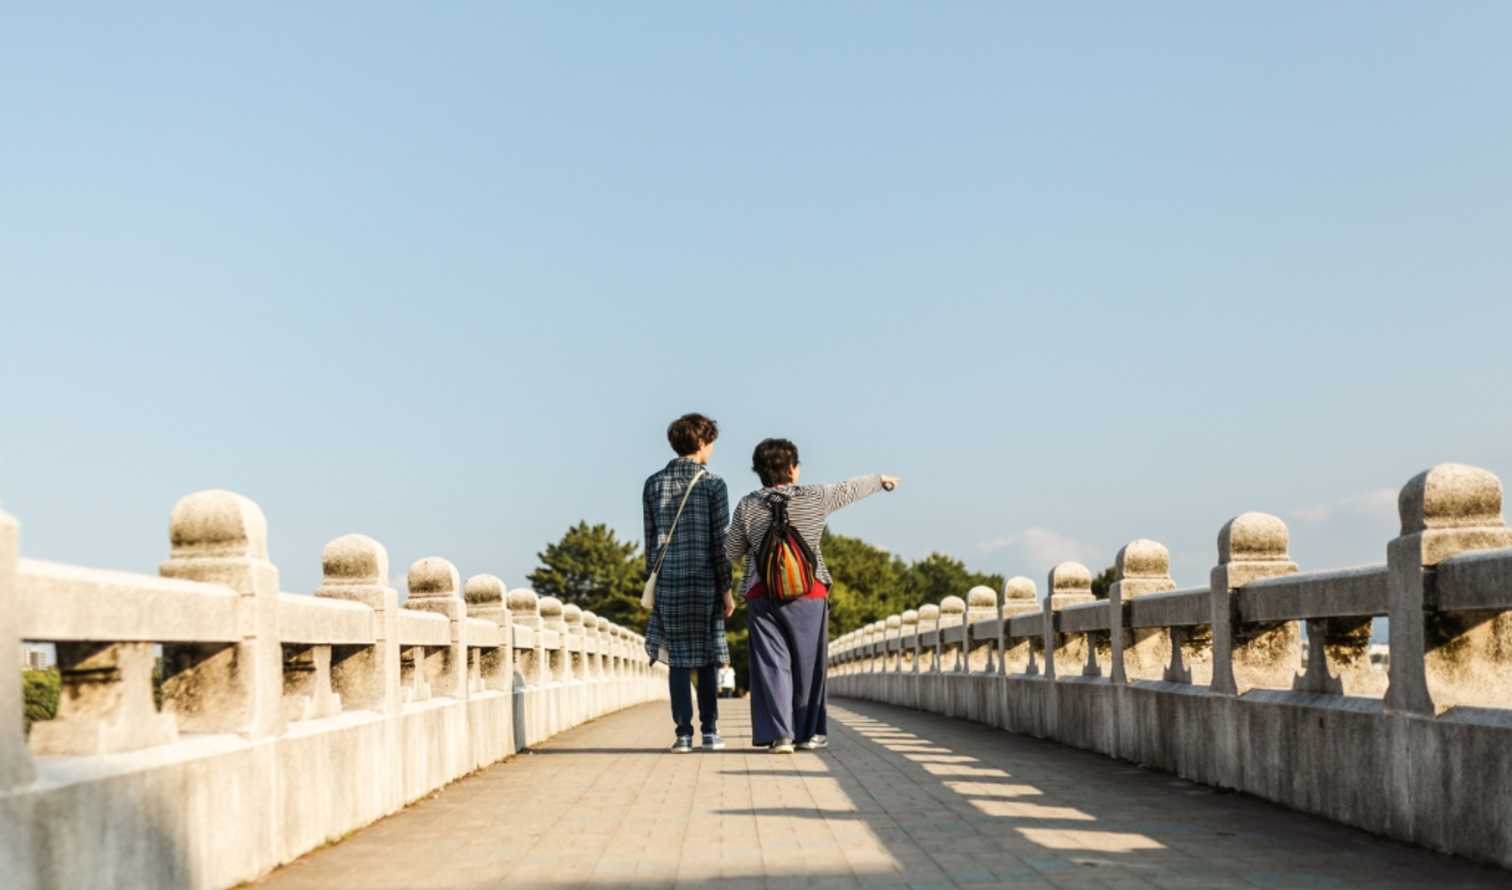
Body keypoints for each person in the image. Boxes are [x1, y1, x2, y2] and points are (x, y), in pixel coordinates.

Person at [726, 438, 898, 753]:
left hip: (762, 594)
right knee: (808, 665)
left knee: (772, 664)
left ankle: (781, 735)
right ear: (791, 468)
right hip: (809, 592)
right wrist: (879, 481)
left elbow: (730, 551)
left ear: (759, 470)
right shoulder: (814, 497)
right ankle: (807, 733)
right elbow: (848, 489)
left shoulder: (748, 505)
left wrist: (726, 586)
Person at [643, 412, 736, 753]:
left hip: (667, 581)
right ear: (701, 443)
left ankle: (683, 734)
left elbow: (650, 538)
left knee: (678, 661)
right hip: (704, 582)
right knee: (708, 658)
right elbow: (719, 543)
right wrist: (726, 589)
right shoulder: (714, 484)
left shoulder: (653, 484)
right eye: (710, 442)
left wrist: (649, 582)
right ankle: (710, 732)